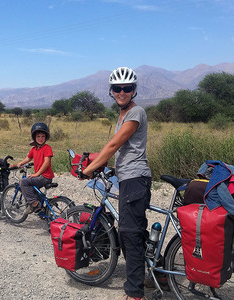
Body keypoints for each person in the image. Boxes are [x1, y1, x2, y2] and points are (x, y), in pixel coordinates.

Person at [81, 67, 152, 300]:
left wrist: (88, 169)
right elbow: (124, 149)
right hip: (127, 177)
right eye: (117, 88)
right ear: (111, 91)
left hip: (135, 179)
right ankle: (157, 274)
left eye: (127, 88)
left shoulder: (136, 112)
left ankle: (134, 293)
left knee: (130, 235)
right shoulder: (122, 114)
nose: (122, 92)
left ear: (134, 90)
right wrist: (109, 166)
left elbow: (113, 146)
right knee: (136, 230)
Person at [10, 122, 54, 214]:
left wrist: (37, 174)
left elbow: (47, 162)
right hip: (41, 177)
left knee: (23, 182)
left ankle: (34, 203)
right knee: (31, 190)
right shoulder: (34, 149)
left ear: (46, 137)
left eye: (43, 136)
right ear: (34, 137)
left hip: (45, 176)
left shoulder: (47, 148)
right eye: (38, 136)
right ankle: (40, 209)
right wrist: (17, 164)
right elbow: (28, 158)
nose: (41, 139)